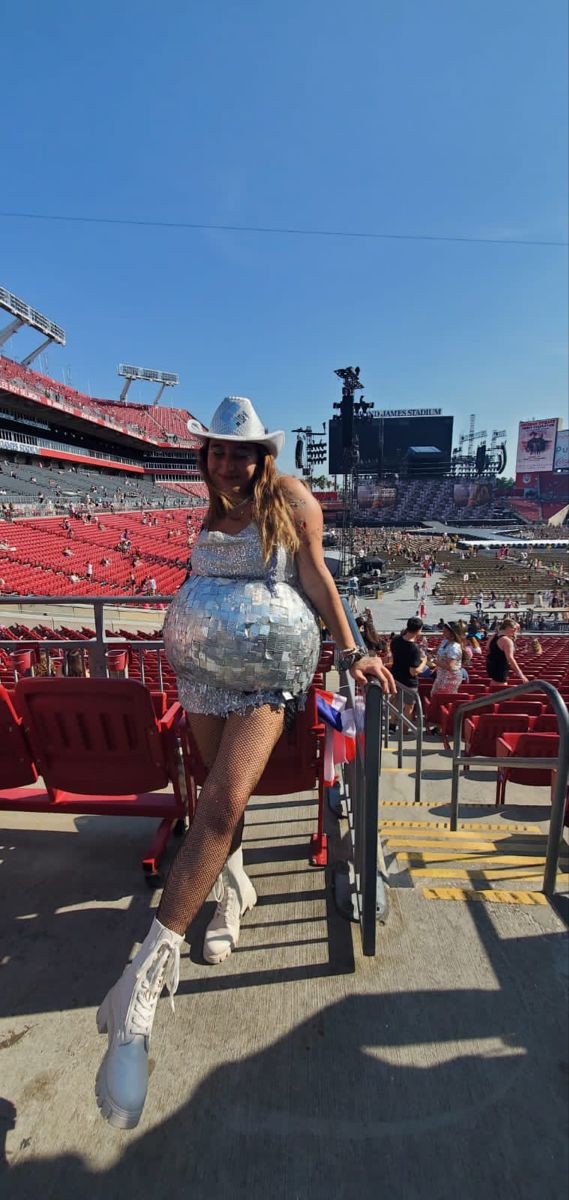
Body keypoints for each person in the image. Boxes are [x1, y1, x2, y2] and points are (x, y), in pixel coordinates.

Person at [95, 394, 396, 1131]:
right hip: (199, 674)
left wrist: (351, 647)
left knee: (224, 805)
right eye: (217, 451)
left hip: (268, 674)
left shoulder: (288, 498)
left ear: (265, 454)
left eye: (240, 451)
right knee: (211, 810)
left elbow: (317, 578)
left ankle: (139, 991)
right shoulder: (208, 505)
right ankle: (231, 892)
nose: (227, 461)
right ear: (204, 456)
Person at [390, 617, 427, 724]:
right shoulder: (414, 649)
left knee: (396, 701)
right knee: (408, 706)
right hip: (409, 682)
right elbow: (413, 671)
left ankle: (392, 724)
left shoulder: (396, 640)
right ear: (419, 630)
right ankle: (405, 729)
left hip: (396, 677)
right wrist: (424, 661)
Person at [486, 619, 528, 685]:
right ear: (508, 627)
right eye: (514, 629)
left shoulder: (493, 636)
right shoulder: (507, 641)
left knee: (494, 686)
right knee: (501, 690)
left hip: (492, 667)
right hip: (501, 669)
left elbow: (487, 648)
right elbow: (510, 658)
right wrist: (520, 674)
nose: (515, 631)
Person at [431, 621, 464, 695]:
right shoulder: (445, 641)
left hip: (450, 678)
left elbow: (449, 666)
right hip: (441, 675)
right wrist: (425, 649)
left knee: (440, 698)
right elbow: (436, 651)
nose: (443, 633)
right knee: (434, 695)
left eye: (445, 631)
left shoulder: (454, 647)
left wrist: (433, 660)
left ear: (452, 633)